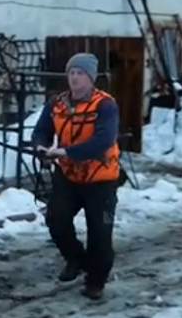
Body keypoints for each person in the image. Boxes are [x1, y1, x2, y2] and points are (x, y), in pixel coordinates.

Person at [30, 52, 120, 300]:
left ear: (91, 78)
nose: (75, 78)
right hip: (68, 177)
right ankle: (76, 259)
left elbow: (103, 140)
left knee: (100, 235)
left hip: (101, 180)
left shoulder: (105, 105)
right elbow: (41, 133)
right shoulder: (56, 104)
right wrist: (41, 148)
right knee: (56, 220)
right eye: (72, 73)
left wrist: (66, 151)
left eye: (80, 73)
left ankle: (96, 281)